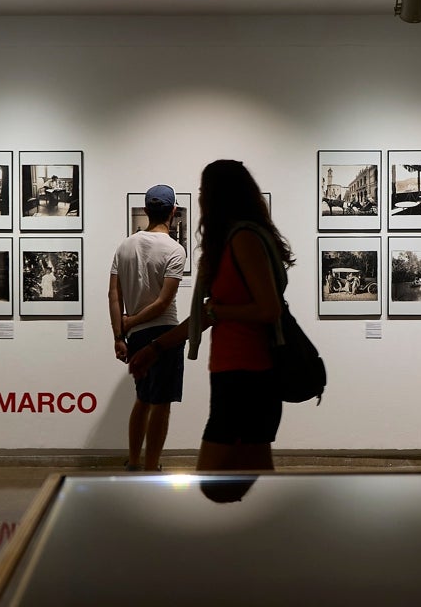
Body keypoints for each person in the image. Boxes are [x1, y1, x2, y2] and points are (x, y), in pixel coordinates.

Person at [129, 160, 294, 471]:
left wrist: (217, 310)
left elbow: (267, 308)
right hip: (231, 371)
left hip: (251, 372)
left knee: (218, 479)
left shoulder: (244, 239)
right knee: (248, 475)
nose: (201, 197)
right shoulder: (229, 242)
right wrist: (156, 348)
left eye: (204, 190)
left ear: (220, 194)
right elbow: (203, 316)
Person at [109, 184, 187, 472]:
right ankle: (151, 466)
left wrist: (121, 333)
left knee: (142, 398)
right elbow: (165, 301)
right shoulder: (175, 250)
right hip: (164, 333)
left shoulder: (125, 246)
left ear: (145, 210)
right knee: (161, 403)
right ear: (173, 211)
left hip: (136, 336)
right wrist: (132, 322)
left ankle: (134, 461)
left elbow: (113, 295)